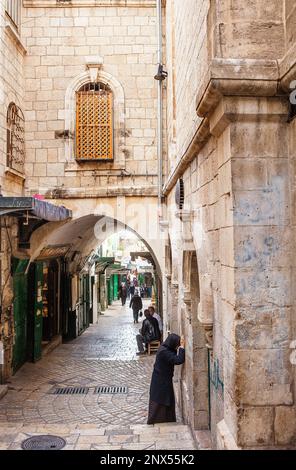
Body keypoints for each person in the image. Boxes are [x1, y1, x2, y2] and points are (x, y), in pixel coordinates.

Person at [147, 333, 185, 424]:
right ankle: (157, 420)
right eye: (176, 345)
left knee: (167, 399)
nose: (177, 347)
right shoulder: (164, 352)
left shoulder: (165, 348)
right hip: (161, 382)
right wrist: (182, 348)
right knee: (161, 400)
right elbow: (178, 360)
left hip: (163, 380)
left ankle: (167, 419)